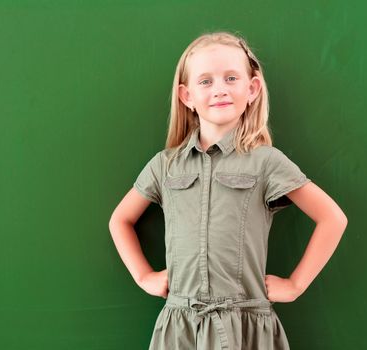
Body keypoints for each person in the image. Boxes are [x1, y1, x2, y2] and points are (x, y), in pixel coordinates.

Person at [108, 31, 348, 350]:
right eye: (205, 81)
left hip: (245, 327)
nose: (219, 89)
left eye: (231, 78)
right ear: (186, 96)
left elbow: (332, 218)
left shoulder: (266, 162)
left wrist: (295, 284)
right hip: (181, 327)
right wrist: (144, 276)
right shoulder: (165, 166)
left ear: (252, 89)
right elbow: (120, 220)